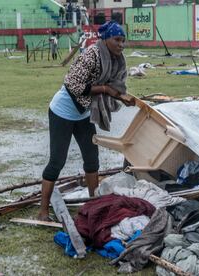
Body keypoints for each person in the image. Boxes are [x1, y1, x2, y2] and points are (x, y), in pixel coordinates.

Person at [38, 21, 133, 221]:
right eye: (117, 39)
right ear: (106, 39)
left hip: (83, 113)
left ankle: (93, 205)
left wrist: (121, 96)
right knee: (57, 161)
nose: (121, 44)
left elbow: (114, 84)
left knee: (92, 160)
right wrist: (108, 91)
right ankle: (43, 211)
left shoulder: (116, 60)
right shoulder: (92, 54)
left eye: (123, 41)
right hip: (62, 111)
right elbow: (74, 85)